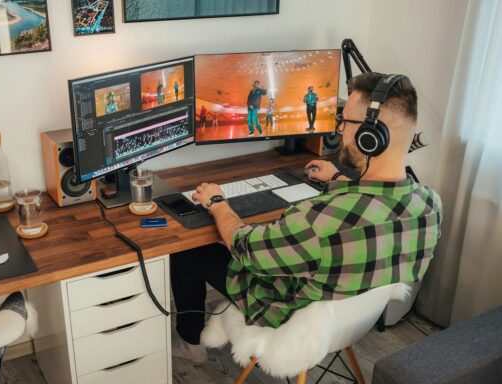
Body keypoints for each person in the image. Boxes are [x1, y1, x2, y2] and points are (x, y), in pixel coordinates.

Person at [170, 72, 442, 363]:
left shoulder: (318, 222)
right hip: (352, 322)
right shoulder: (430, 205)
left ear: (370, 136)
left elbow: (245, 247)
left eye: (345, 121)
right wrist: (337, 177)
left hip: (288, 315)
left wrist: (217, 201)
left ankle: (190, 344)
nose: (338, 128)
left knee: (188, 251)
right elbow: (375, 205)